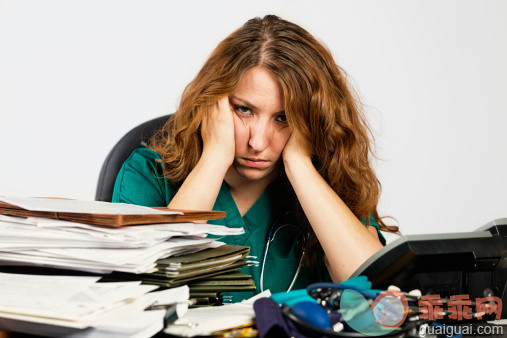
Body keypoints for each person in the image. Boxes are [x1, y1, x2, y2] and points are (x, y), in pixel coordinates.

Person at [112, 15, 399, 302]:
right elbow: (143, 289)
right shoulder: (148, 172)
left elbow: (374, 293)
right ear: (214, 102)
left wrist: (300, 165)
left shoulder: (330, 182)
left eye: (283, 118)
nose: (258, 142)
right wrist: (214, 156)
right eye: (244, 110)